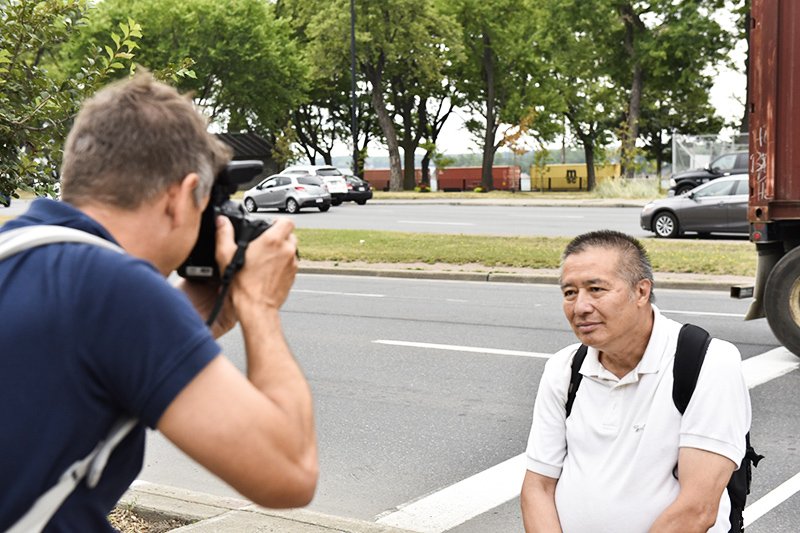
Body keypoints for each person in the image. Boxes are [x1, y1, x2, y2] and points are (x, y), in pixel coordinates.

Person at [0, 73, 318, 531]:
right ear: (180, 196)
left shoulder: (22, 253)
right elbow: (291, 473)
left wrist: (191, 318)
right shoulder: (116, 289)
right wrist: (259, 305)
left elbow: (78, 368)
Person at [520, 230, 751, 533]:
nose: (580, 307)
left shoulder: (707, 362)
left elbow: (697, 509)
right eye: (569, 293)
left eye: (596, 289)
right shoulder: (563, 369)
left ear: (641, 292)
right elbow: (538, 486)